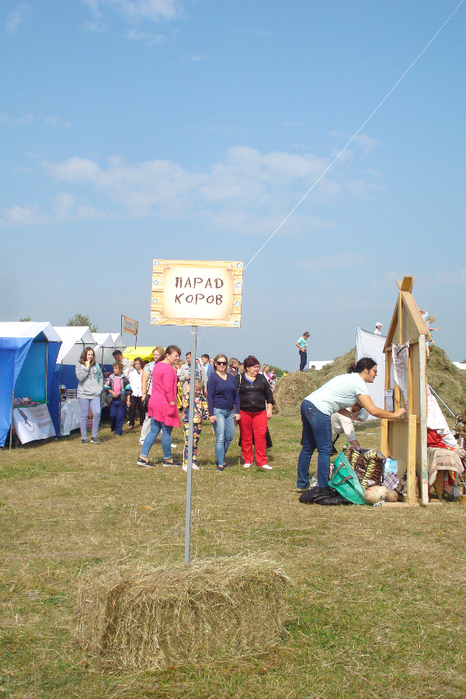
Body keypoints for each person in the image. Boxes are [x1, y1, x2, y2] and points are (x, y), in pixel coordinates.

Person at [296, 357, 406, 492]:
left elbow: (335, 401)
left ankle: (302, 484)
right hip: (320, 409)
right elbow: (373, 410)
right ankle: (323, 487)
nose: (376, 374)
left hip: (307, 404)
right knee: (325, 450)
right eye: (374, 371)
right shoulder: (359, 382)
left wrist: (350, 415)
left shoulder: (348, 378)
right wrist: (394, 414)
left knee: (308, 448)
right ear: (366, 370)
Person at [137, 345, 181, 468]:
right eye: (175, 355)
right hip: (164, 403)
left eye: (178, 356)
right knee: (166, 431)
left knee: (154, 429)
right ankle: (168, 459)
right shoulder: (168, 369)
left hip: (154, 400)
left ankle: (143, 456)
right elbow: (168, 388)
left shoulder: (157, 366)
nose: (177, 358)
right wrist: (172, 403)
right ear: (167, 355)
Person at [237, 356, 274, 470]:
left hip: (260, 412)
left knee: (261, 436)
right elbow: (234, 395)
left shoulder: (262, 379)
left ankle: (262, 461)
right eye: (254, 367)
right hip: (244, 411)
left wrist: (269, 409)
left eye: (258, 367)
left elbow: (269, 395)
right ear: (247, 368)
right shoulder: (239, 378)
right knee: (246, 436)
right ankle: (248, 460)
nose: (257, 369)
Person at [207, 354, 241, 472]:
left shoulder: (231, 378)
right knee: (220, 437)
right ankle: (221, 463)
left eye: (224, 363)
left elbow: (236, 395)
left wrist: (238, 411)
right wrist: (211, 414)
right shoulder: (213, 378)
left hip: (230, 411)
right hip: (218, 410)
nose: (221, 365)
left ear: (227, 364)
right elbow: (209, 397)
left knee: (230, 436)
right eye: (219, 363)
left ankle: (220, 457)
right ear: (215, 364)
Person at [75, 347, 104, 444]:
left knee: (97, 412)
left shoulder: (96, 365)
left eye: (92, 355)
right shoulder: (79, 365)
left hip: (95, 393)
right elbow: (80, 378)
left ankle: (94, 436)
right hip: (83, 394)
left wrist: (99, 389)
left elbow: (101, 377)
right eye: (89, 354)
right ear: (85, 355)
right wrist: (86, 368)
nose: (90, 356)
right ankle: (84, 437)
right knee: (84, 415)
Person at [181, 379, 209, 472]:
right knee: (188, 442)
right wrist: (188, 393)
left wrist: (209, 416)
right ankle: (186, 463)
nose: (197, 392)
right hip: (188, 421)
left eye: (198, 390)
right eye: (195, 390)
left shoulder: (202, 398)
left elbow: (205, 408)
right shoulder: (186, 396)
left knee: (195, 443)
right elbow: (185, 405)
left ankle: (193, 462)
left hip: (198, 422)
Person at [139, 346, 165, 446]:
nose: (155, 357)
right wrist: (144, 394)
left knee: (164, 417)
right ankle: (143, 438)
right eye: (154, 355)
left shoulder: (165, 365)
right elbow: (144, 381)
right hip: (151, 394)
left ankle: (165, 438)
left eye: (157, 355)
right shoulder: (149, 366)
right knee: (149, 417)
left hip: (162, 394)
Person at [103, 362, 132, 435]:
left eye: (116, 368)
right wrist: (112, 392)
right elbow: (106, 387)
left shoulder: (124, 378)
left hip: (121, 399)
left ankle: (118, 431)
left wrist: (128, 400)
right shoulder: (111, 377)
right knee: (112, 415)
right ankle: (113, 427)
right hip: (113, 399)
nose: (114, 370)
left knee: (120, 416)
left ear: (120, 369)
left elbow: (128, 390)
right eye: (113, 368)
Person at [127, 357, 146, 429]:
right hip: (133, 392)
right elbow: (125, 374)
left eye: (137, 363)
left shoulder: (144, 372)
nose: (136, 365)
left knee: (142, 408)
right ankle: (131, 423)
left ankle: (142, 423)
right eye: (135, 364)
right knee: (132, 408)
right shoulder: (132, 371)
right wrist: (130, 366)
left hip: (141, 392)